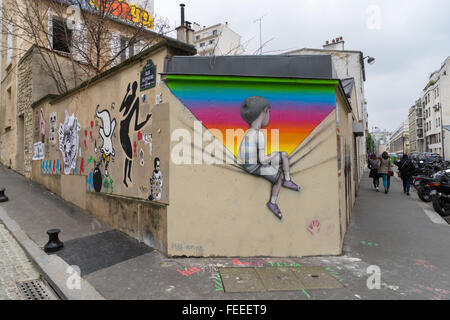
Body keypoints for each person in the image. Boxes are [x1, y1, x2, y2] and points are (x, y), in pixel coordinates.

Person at [237, 96, 300, 220]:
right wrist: (270, 158)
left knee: (280, 155)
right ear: (265, 111)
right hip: (255, 167)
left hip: (247, 164)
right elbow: (262, 159)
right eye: (269, 112)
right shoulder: (259, 134)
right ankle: (273, 202)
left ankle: (287, 180)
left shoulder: (248, 133)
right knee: (279, 176)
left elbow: (240, 154)